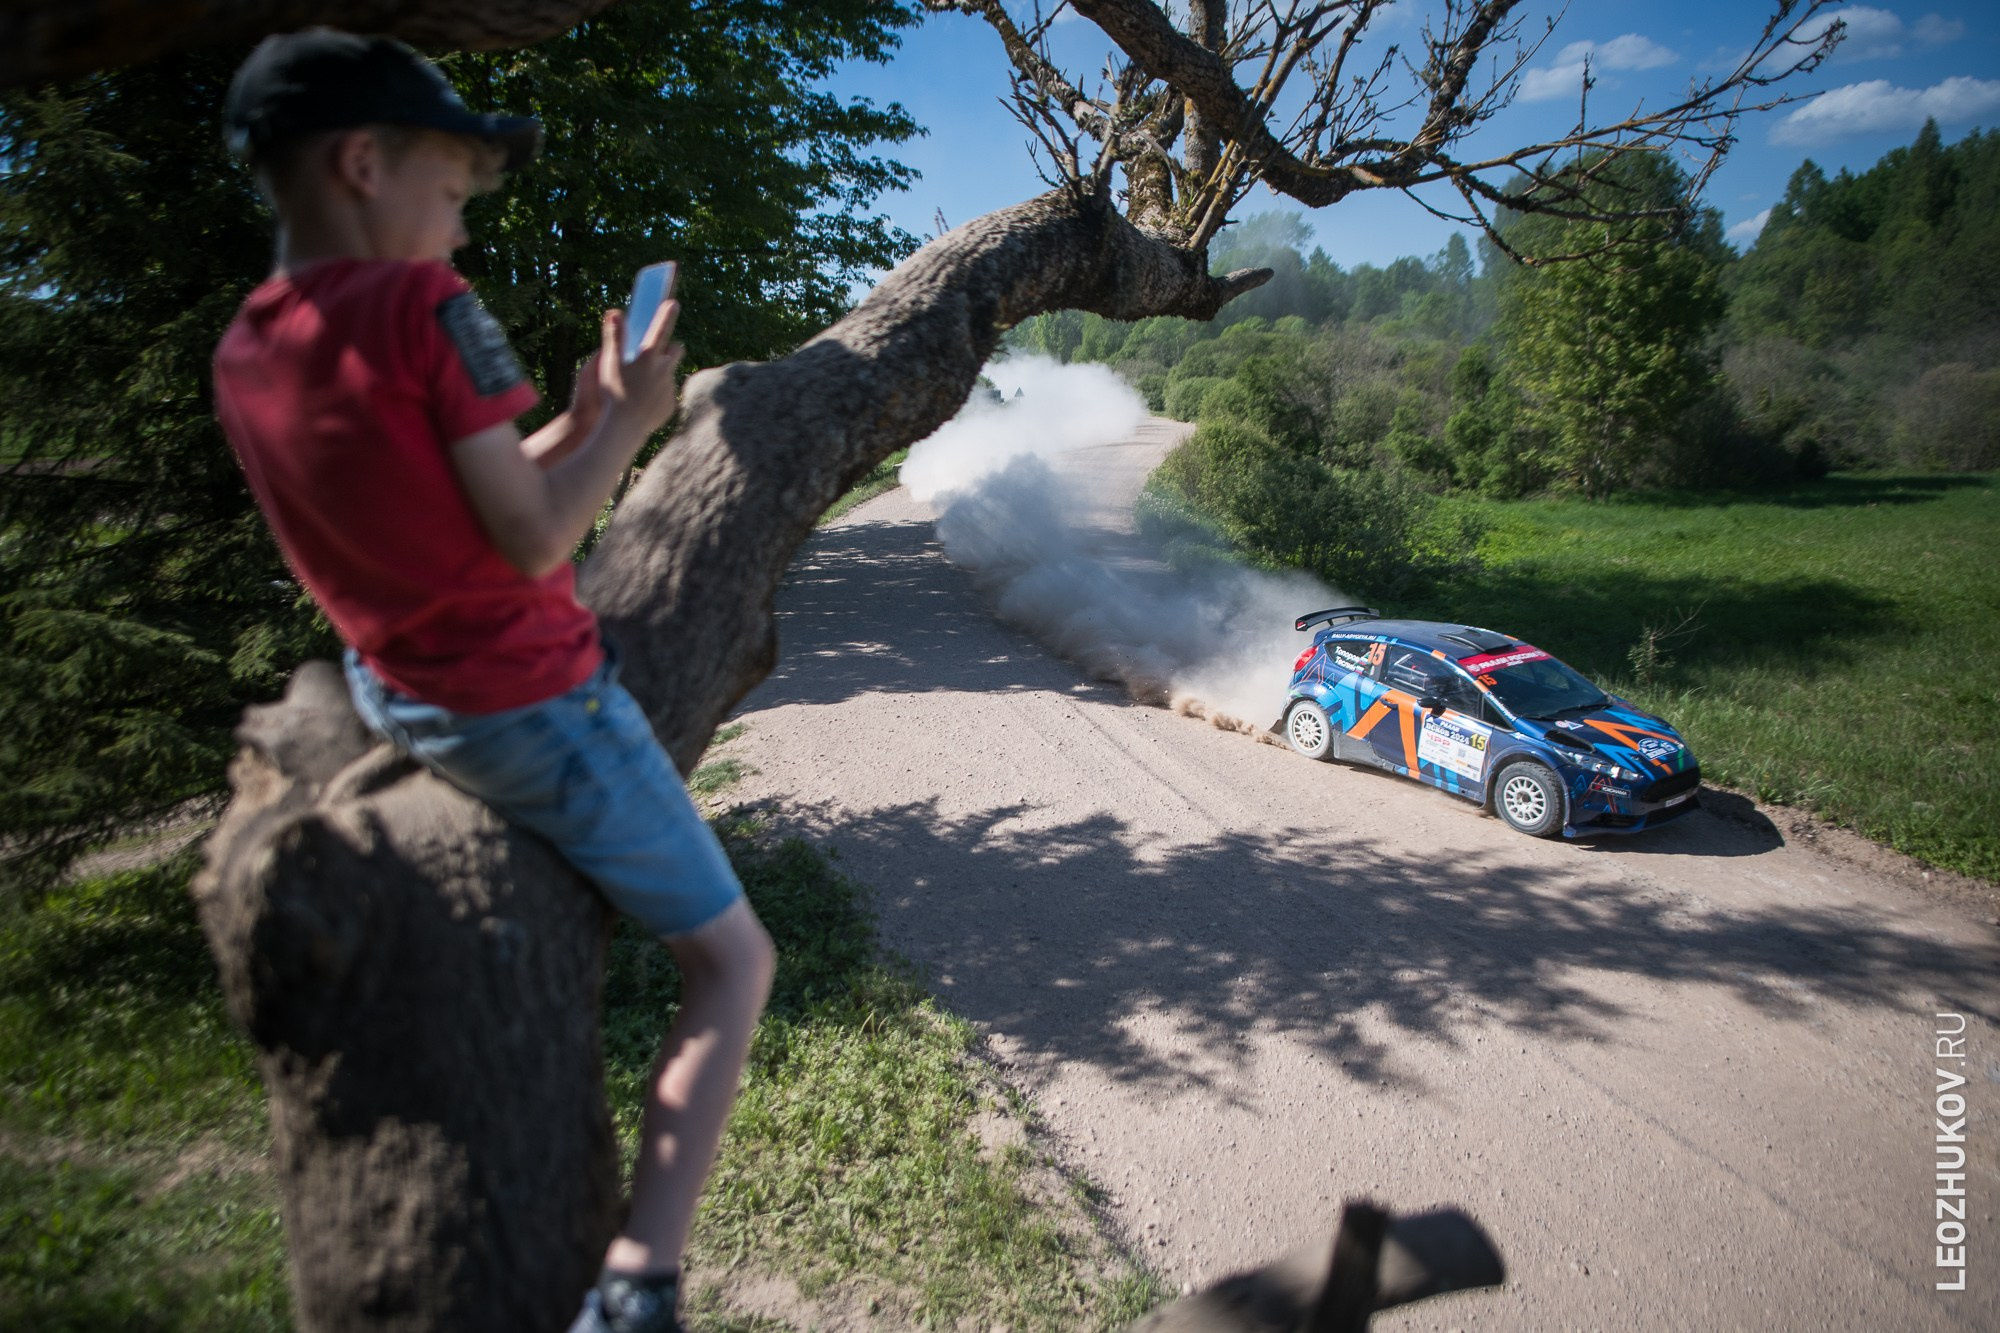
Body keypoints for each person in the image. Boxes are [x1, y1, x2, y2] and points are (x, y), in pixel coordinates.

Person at [211, 31, 774, 1333]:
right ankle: (638, 1286)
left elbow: (442, 498)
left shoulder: (248, 346)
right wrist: (634, 420)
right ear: (365, 162)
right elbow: (527, 538)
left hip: (399, 687)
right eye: (454, 196)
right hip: (527, 705)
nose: (459, 234)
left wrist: (577, 417)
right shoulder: (422, 309)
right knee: (735, 963)